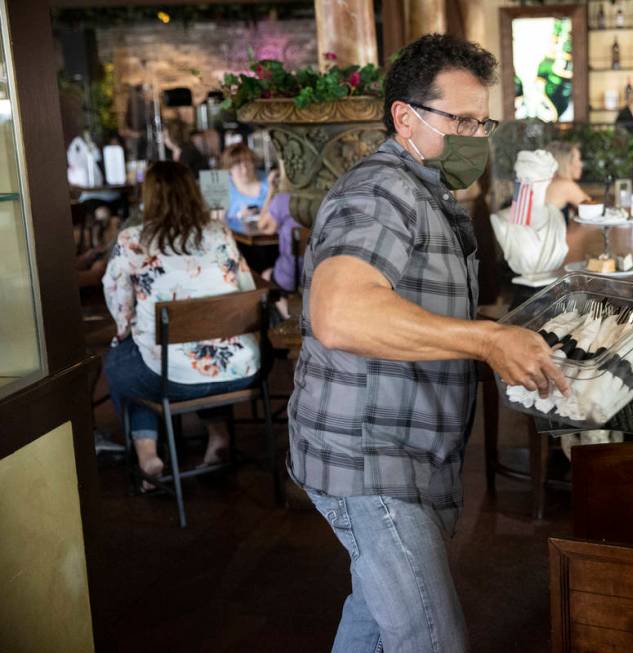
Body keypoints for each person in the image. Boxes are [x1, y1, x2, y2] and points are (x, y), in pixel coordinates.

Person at [289, 33, 570, 652]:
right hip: (370, 457)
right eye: (460, 120)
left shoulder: (427, 188)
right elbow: (339, 311)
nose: (475, 135)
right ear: (404, 116)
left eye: (482, 120)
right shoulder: (380, 191)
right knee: (430, 637)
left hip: (408, 449)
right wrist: (487, 340)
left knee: (372, 617)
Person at [102, 161, 260, 486]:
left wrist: (125, 328)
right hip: (241, 370)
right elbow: (247, 292)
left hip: (172, 378)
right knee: (191, 355)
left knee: (121, 363)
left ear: (148, 197)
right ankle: (217, 437)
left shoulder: (133, 239)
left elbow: (119, 304)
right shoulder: (220, 233)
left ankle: (147, 454)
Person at [221, 143, 272, 233]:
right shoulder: (221, 185)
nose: (244, 169)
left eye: (247, 162)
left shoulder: (269, 181)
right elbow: (216, 222)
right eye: (238, 165)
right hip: (236, 239)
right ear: (229, 168)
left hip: (268, 234)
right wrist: (239, 215)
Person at [544, 140, 591, 218]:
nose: (581, 164)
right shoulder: (565, 185)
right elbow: (595, 212)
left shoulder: (545, 183)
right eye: (578, 159)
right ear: (565, 163)